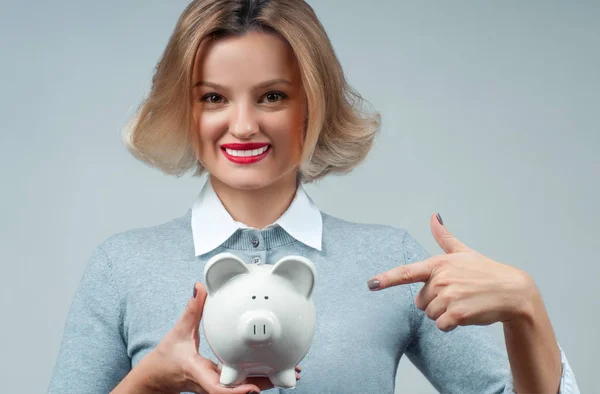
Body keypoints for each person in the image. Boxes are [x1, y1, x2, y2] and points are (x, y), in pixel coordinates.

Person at [48, 1, 580, 393]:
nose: (242, 125)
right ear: (186, 111)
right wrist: (142, 386)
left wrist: (526, 309)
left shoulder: (389, 263)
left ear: (313, 105)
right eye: (214, 98)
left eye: (272, 96)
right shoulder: (121, 266)